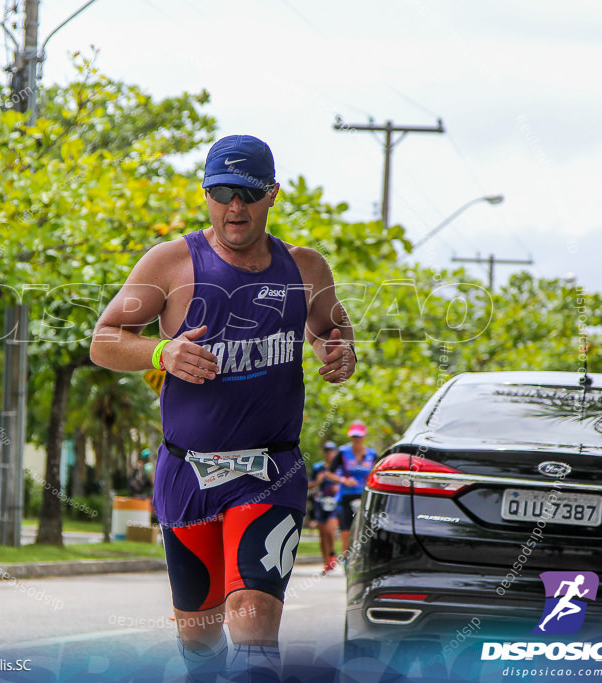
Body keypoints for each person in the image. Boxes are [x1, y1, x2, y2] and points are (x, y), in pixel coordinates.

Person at [90, 134, 356, 682]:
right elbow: (104, 340)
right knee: (201, 639)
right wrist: (162, 350)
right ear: (205, 193)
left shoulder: (305, 268)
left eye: (248, 193)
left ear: (273, 194)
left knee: (252, 616)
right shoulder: (170, 263)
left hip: (270, 472)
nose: (235, 207)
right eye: (221, 192)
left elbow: (334, 328)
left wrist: (339, 348)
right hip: (187, 473)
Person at [332, 421, 377, 564]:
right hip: (346, 496)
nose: (356, 440)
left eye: (359, 437)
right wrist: (343, 480)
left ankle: (363, 558)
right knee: (345, 529)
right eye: (354, 437)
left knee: (364, 528)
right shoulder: (343, 452)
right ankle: (346, 558)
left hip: (364, 496)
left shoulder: (372, 454)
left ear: (364, 437)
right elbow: (329, 473)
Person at [308, 441, 342, 574]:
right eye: (327, 451)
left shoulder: (339, 467)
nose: (329, 454)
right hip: (320, 504)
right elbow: (309, 485)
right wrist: (318, 481)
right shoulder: (318, 468)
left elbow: (345, 482)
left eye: (332, 451)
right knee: (322, 533)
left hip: (334, 504)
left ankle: (332, 553)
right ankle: (326, 562)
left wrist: (337, 486)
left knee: (330, 529)